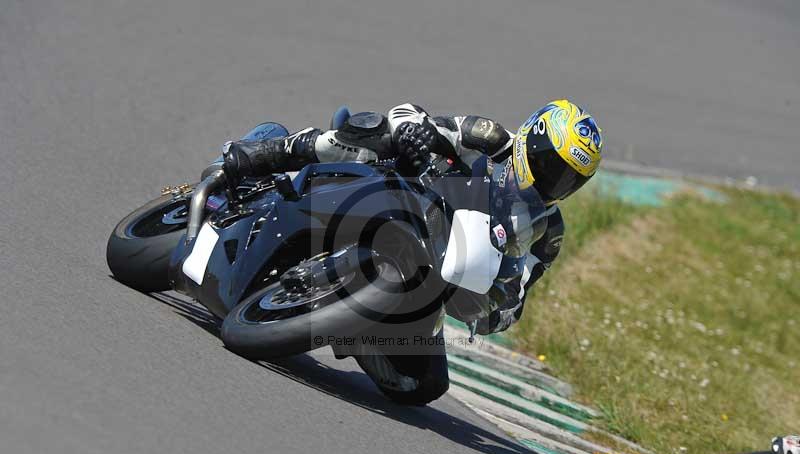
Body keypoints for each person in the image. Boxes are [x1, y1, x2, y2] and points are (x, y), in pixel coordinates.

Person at [220, 100, 603, 334]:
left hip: (431, 276)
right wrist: (413, 133)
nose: (558, 182)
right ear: (530, 142)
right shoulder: (488, 139)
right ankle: (268, 152)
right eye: (552, 167)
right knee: (372, 132)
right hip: (394, 191)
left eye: (571, 178)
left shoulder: (547, 232)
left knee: (422, 386)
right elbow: (409, 112)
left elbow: (513, 308)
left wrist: (495, 304)